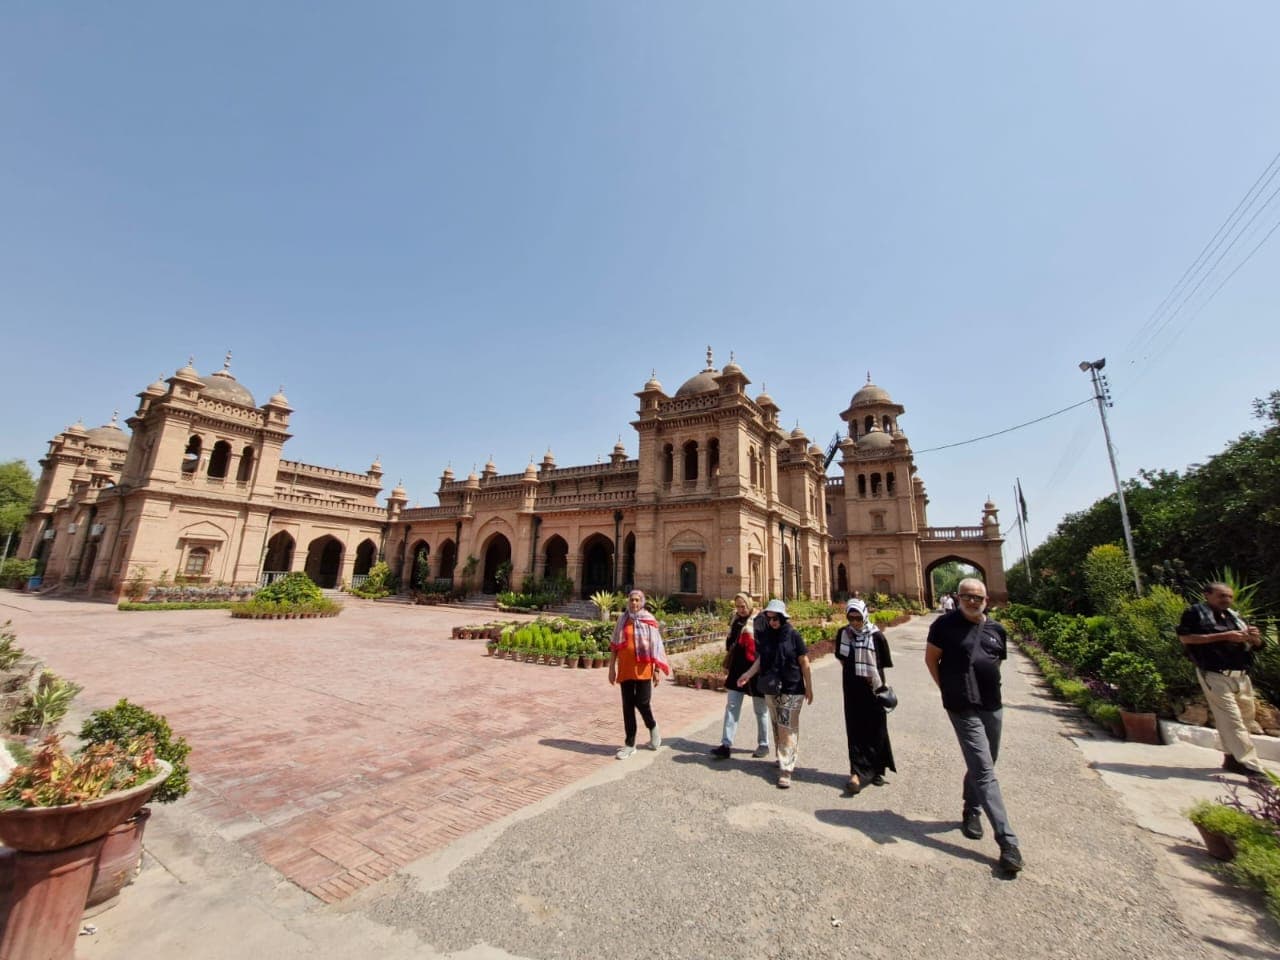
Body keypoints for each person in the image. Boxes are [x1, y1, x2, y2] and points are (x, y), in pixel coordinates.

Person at [924, 578, 1024, 874]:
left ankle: (971, 807)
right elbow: (931, 661)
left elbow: (995, 663)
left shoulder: (996, 630)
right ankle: (1007, 841)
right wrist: (948, 689)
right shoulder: (943, 626)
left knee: (986, 761)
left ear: (986, 600)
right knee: (984, 768)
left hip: (992, 705)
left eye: (977, 596)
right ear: (957, 597)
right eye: (966, 596)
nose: (972, 600)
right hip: (960, 705)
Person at [1177, 582, 1267, 778]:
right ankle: (1252, 767)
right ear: (1207, 595)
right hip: (1215, 674)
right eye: (1221, 596)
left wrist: (1254, 638)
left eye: (1229, 596)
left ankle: (1232, 758)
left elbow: (1259, 646)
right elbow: (1185, 638)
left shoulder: (1235, 617)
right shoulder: (1195, 614)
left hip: (1242, 676)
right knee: (1232, 720)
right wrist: (1225, 636)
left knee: (1244, 720)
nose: (1226, 600)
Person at [736, 599, 813, 789]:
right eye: (769, 618)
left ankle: (786, 769)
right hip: (772, 687)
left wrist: (809, 687)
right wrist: (747, 674)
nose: (772, 622)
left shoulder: (793, 635)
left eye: (775, 618)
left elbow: (804, 662)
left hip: (793, 688)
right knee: (777, 725)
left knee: (786, 727)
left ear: (783, 618)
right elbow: (761, 660)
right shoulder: (768, 637)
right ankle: (783, 756)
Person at [834, 598, 895, 794]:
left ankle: (877, 769)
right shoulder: (843, 634)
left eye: (857, 618)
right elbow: (842, 659)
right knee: (855, 728)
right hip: (852, 687)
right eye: (850, 618)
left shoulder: (876, 636)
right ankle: (856, 772)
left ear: (864, 615)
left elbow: (883, 662)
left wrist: (871, 678)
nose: (854, 622)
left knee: (876, 728)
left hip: (873, 688)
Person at [609, 589, 671, 760]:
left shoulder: (649, 620)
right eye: (631, 600)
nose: (634, 603)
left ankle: (653, 727)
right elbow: (614, 644)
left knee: (643, 702)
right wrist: (611, 668)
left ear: (642, 602)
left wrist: (657, 670)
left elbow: (656, 645)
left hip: (644, 668)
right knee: (627, 705)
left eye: (637, 600)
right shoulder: (622, 620)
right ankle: (630, 744)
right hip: (626, 667)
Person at [711, 592, 770, 759]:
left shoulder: (760, 621)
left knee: (760, 710)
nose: (741, 609)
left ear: (749, 604)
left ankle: (764, 744)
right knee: (731, 707)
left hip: (756, 671)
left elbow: (765, 645)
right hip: (737, 671)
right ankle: (726, 744)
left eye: (743, 606)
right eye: (737, 606)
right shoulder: (735, 620)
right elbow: (729, 643)